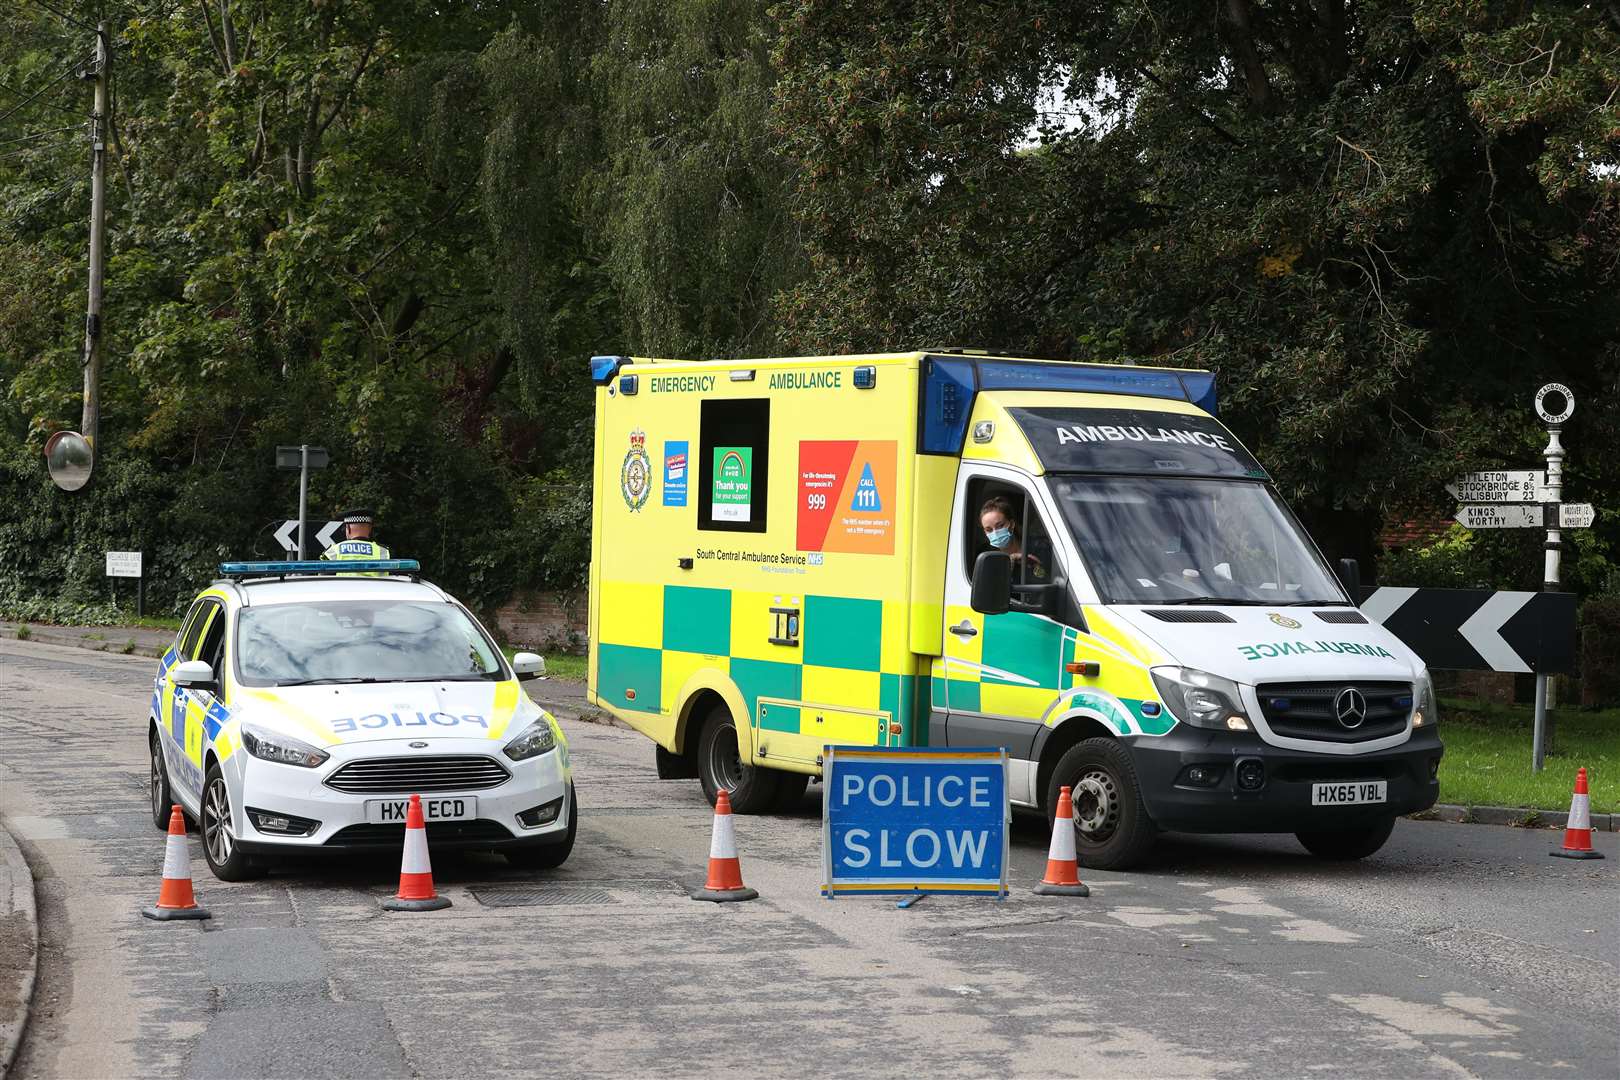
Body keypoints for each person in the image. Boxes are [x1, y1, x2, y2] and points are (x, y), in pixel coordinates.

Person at [979, 494, 1045, 580]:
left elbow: (1050, 578)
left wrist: (1036, 565)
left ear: (1012, 524)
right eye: (989, 530)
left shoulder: (1038, 547)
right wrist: (1010, 561)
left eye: (1000, 526)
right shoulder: (985, 558)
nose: (995, 533)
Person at [320, 508, 392, 563]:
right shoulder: (383, 552)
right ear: (370, 528)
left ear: (348, 528)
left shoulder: (333, 552)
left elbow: (323, 580)